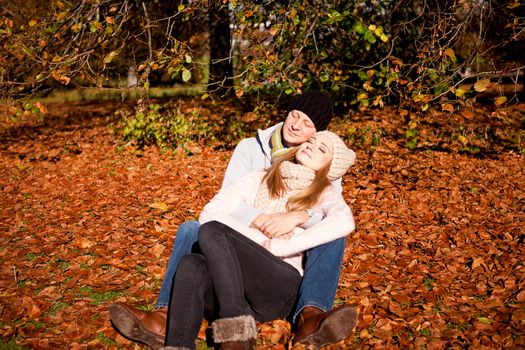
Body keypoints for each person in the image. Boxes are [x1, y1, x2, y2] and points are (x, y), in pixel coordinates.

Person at [109, 91, 356, 348]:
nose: (296, 125)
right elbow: (226, 207)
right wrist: (263, 223)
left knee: (332, 235)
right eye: (295, 115)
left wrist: (297, 217)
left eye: (308, 125)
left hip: (279, 269)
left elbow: (333, 218)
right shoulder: (252, 153)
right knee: (193, 234)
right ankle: (167, 319)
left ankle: (310, 315)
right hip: (240, 240)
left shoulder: (324, 170)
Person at [163, 130, 357, 349]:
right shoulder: (258, 178)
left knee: (213, 232)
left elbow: (344, 223)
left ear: (329, 167)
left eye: (322, 149)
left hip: (278, 285)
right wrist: (260, 224)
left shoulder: (324, 193)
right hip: (235, 287)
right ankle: (176, 344)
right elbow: (210, 212)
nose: (311, 145)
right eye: (311, 141)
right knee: (191, 263)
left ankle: (236, 332)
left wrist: (282, 244)